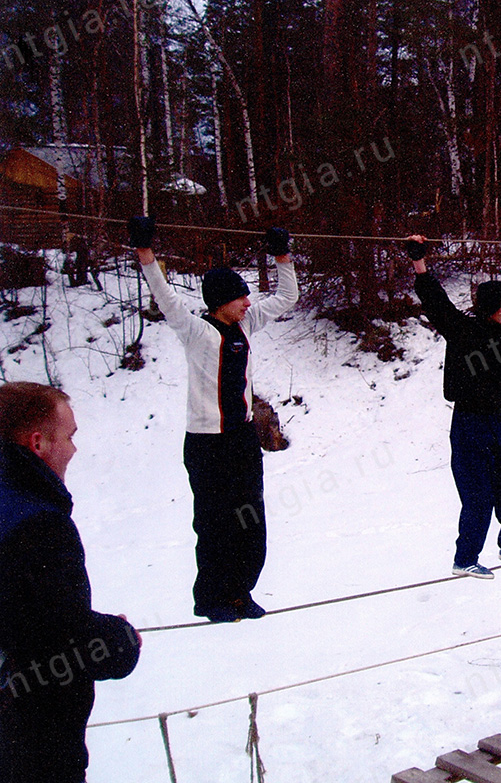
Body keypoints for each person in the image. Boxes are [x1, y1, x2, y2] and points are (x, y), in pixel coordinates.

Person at [128, 217, 299, 623]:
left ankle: (240, 592)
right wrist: (145, 252)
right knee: (214, 524)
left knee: (250, 520)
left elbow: (287, 296)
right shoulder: (195, 331)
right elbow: (165, 297)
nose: (247, 302)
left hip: (241, 438)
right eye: (240, 297)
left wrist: (282, 255)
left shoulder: (247, 324)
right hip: (206, 443)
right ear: (220, 301)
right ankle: (211, 599)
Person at [0, 382, 141, 782]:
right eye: (70, 436)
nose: (75, 449)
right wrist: (119, 639)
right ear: (39, 442)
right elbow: (60, 641)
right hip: (34, 744)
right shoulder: (39, 525)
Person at [406, 235, 501, 580]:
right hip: (468, 423)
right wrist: (418, 261)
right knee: (478, 494)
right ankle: (465, 558)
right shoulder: (462, 330)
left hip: (496, 421)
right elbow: (435, 301)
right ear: (489, 306)